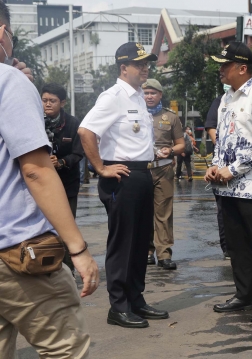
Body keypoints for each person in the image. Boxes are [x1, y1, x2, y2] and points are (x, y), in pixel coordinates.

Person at [0, 6, 99, 357]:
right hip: (15, 253)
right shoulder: (9, 81)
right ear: (3, 34)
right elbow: (36, 170)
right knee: (67, 349)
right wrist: (79, 250)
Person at [78, 42, 169, 328]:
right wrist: (101, 168)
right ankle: (118, 306)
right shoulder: (113, 96)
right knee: (122, 243)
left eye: (147, 63)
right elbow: (86, 130)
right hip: (122, 178)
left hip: (143, 174)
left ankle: (136, 300)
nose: (145, 68)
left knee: (141, 241)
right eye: (139, 63)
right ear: (123, 68)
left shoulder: (139, 96)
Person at [205, 42, 252, 322]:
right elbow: (223, 139)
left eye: (225, 65)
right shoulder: (227, 98)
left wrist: (232, 169)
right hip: (227, 186)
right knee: (236, 246)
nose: (220, 70)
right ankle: (245, 295)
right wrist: (214, 165)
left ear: (242, 68)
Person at [143, 79, 185, 270]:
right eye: (146, 93)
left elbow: (180, 144)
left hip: (164, 169)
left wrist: (171, 151)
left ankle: (164, 253)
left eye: (153, 93)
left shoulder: (171, 117)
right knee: (143, 212)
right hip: (141, 169)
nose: (149, 96)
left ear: (160, 95)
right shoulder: (134, 115)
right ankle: (146, 251)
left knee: (164, 213)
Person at [42, 83, 84, 272]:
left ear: (63, 102)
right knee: (42, 230)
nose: (48, 104)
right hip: (40, 185)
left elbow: (78, 154)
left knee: (66, 227)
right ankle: (43, 268)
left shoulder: (73, 123)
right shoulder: (34, 120)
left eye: (53, 101)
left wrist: (61, 162)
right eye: (44, 100)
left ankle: (68, 271)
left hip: (67, 185)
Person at [204, 88, 229, 259]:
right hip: (222, 163)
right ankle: (228, 246)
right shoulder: (220, 101)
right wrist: (222, 146)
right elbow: (211, 126)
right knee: (224, 208)